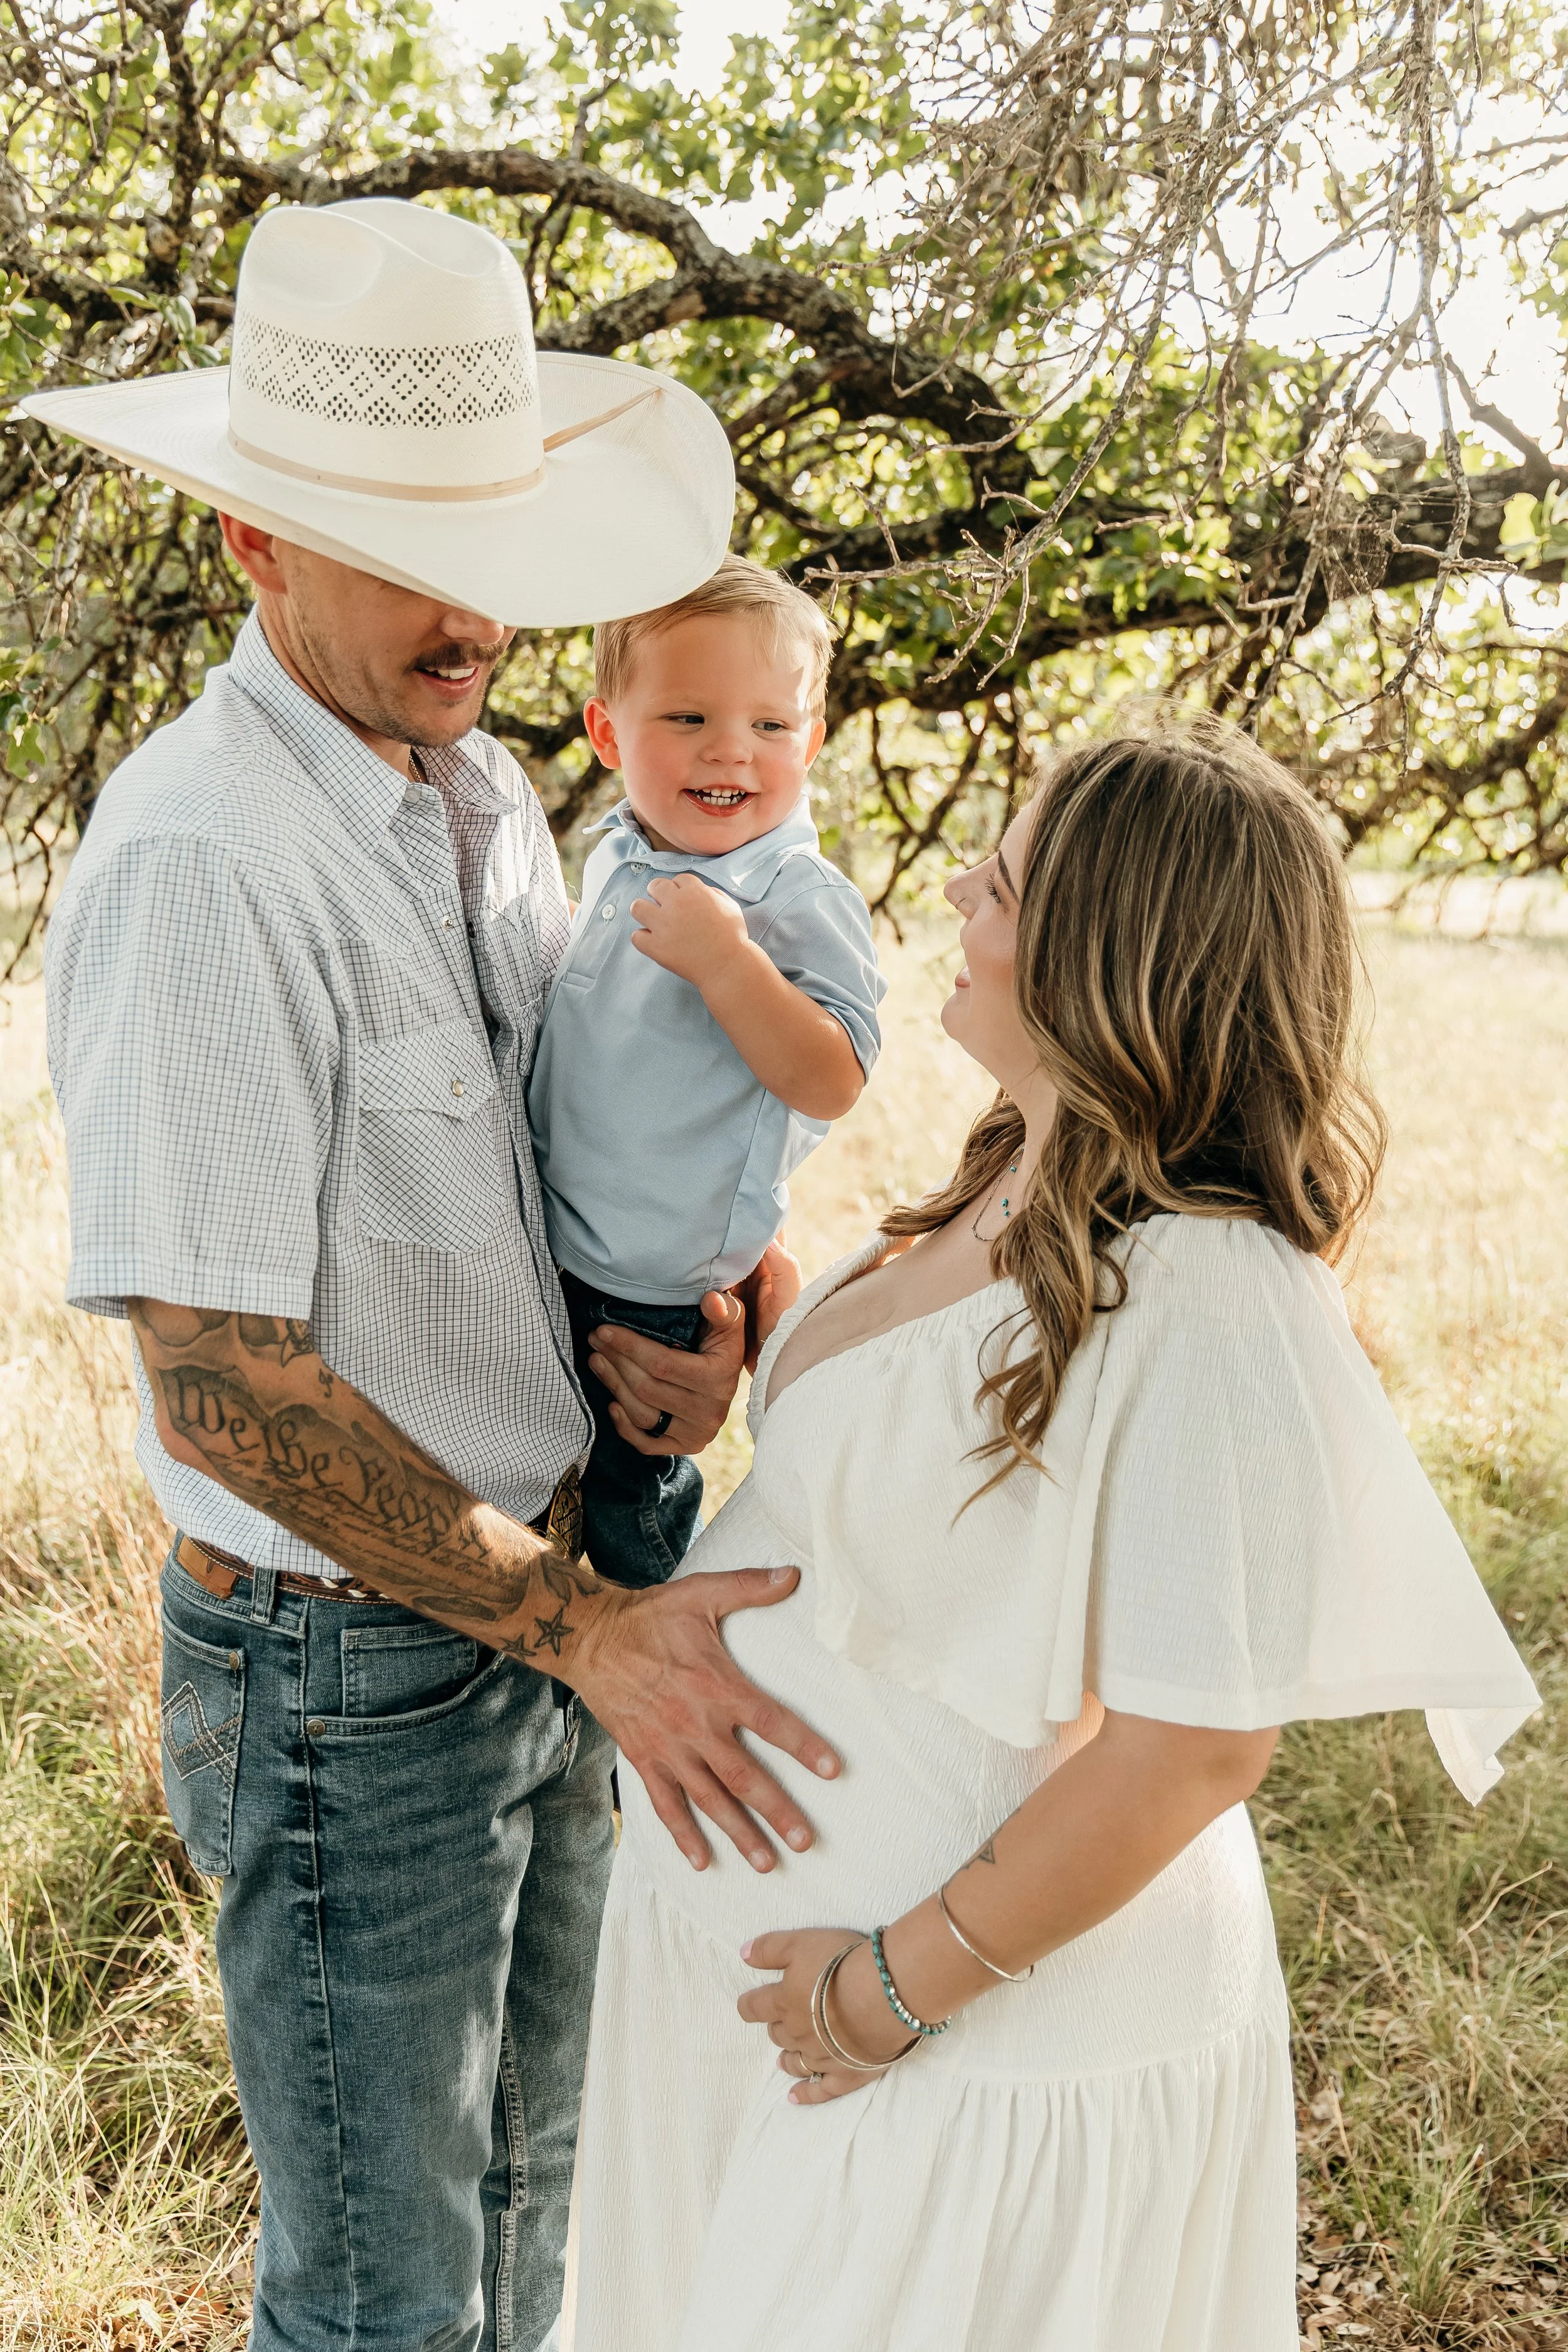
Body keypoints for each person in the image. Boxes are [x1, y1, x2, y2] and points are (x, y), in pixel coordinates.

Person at [28, 198, 840, 2352]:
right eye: (402, 545)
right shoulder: (207, 858)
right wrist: (589, 1631)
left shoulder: (486, 793)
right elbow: (224, 1389)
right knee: (390, 2297)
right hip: (348, 1681)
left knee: (527, 2229)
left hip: (549, 1602)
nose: (474, 605)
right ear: (253, 548)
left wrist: (721, 1322)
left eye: (496, 535)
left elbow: (590, 1154)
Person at [564, 720, 1541, 2352]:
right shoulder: (1016, 1168)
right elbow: (939, 1470)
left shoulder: (1212, 1281)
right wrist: (759, 1367)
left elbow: (1193, 1744)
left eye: (1002, 877)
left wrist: (890, 1988)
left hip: (969, 2057)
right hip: (758, 1992)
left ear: (1108, 950)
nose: (955, 883)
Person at [529, 554, 886, 1586]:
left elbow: (832, 1075)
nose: (732, 748)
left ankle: (662, 1651)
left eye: (771, 726)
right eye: (687, 718)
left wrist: (731, 962)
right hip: (552, 1241)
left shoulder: (791, 894)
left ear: (811, 742)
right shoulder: (619, 853)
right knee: (544, 1492)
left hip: (652, 1281)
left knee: (632, 1519)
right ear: (607, 734)